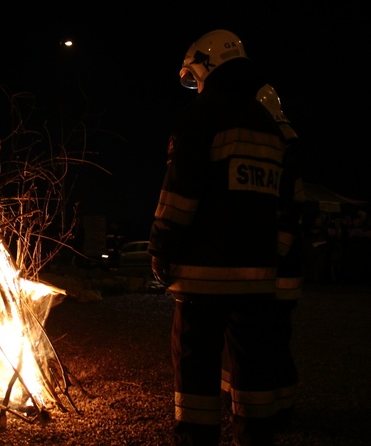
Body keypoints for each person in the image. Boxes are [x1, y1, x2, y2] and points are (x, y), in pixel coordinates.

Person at [148, 30, 296, 445]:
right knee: (253, 371)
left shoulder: (201, 116)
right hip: (258, 278)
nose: (195, 86)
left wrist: (161, 246)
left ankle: (196, 439)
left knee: (196, 368)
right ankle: (255, 435)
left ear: (207, 65)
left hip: (203, 276)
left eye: (194, 76)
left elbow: (180, 192)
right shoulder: (266, 123)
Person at [221, 84, 306, 431]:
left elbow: (290, 207)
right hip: (283, 267)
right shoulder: (287, 141)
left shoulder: (276, 143)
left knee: (254, 341)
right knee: (275, 340)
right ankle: (279, 409)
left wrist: (269, 251)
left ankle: (256, 415)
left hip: (272, 266)